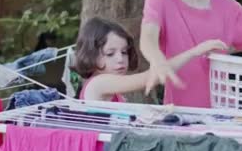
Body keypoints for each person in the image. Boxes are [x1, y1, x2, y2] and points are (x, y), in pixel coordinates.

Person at [73, 16, 226, 101]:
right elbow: (150, 77)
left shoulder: (115, 90)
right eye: (110, 54)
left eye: (124, 52)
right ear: (91, 54)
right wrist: (194, 52)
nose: (120, 59)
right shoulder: (99, 83)